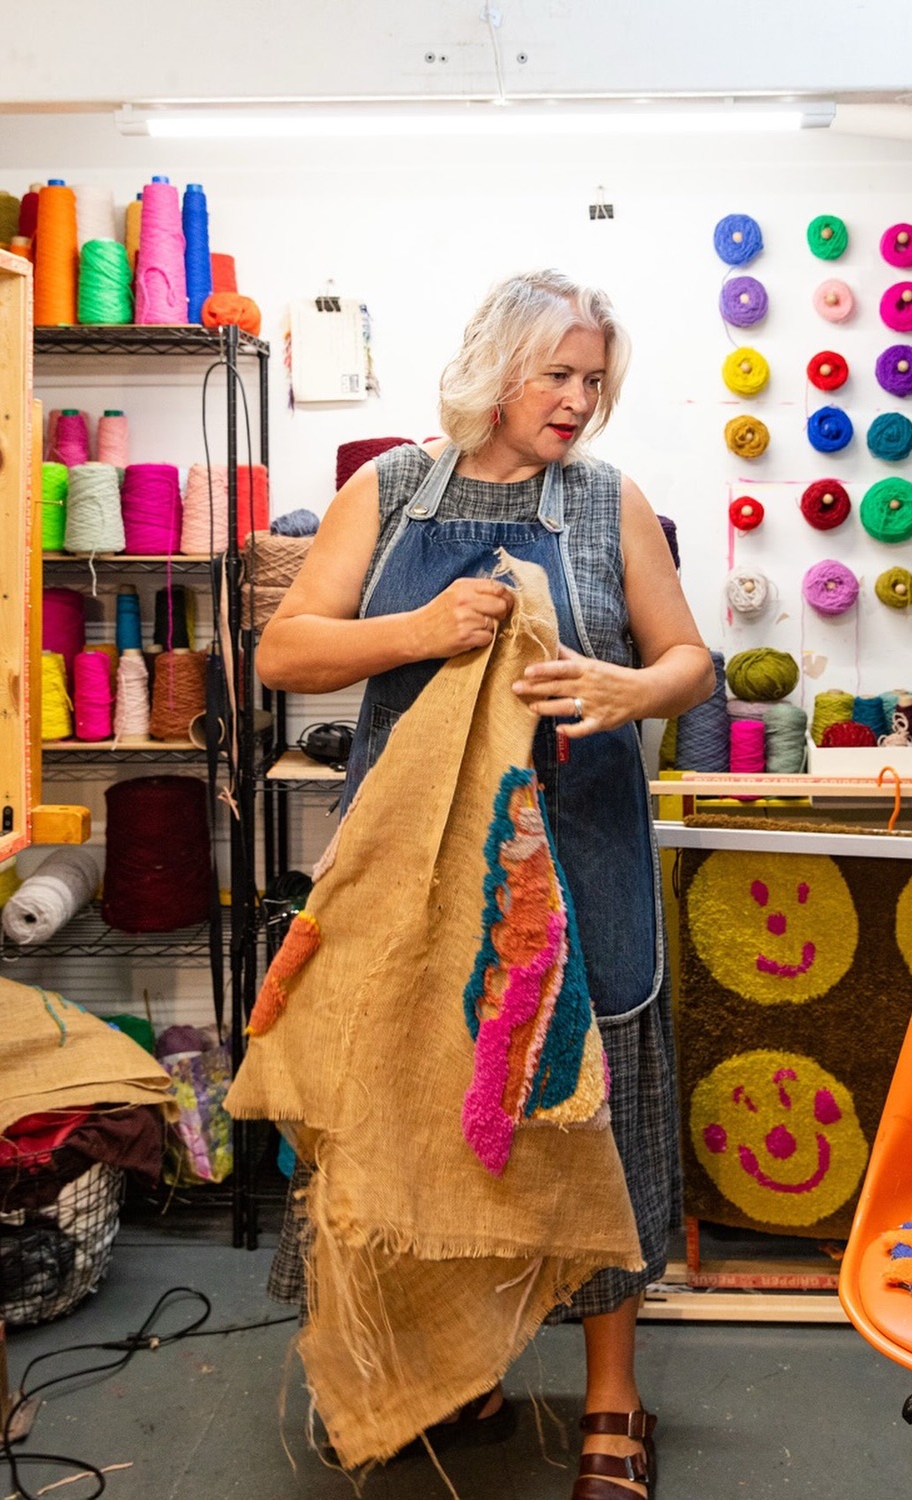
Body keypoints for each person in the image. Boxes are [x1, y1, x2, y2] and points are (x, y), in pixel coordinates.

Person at [257, 269, 714, 1499]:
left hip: (583, 848)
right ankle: (459, 1374)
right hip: (421, 865)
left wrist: (627, 690)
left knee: (596, 1113)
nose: (579, 400)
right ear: (494, 367)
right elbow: (285, 649)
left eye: (594, 381)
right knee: (428, 1098)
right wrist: (418, 633)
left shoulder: (610, 501)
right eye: (557, 373)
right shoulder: (390, 491)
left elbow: (689, 659)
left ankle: (614, 1400)